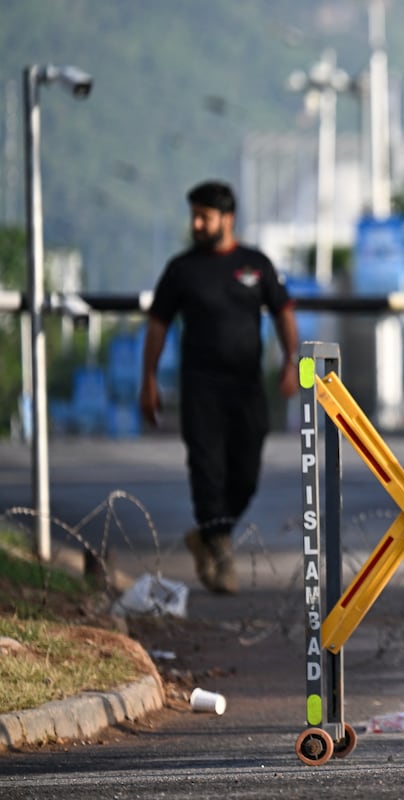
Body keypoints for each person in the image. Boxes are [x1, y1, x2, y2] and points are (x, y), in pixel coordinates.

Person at [139, 180, 299, 594]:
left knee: (245, 472)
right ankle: (221, 549)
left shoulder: (256, 264)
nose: (196, 223)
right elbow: (157, 324)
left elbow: (283, 312)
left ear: (227, 219)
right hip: (200, 386)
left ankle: (208, 533)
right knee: (207, 468)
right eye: (193, 215)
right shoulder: (182, 270)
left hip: (247, 385)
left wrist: (290, 361)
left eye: (204, 217)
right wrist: (149, 380)